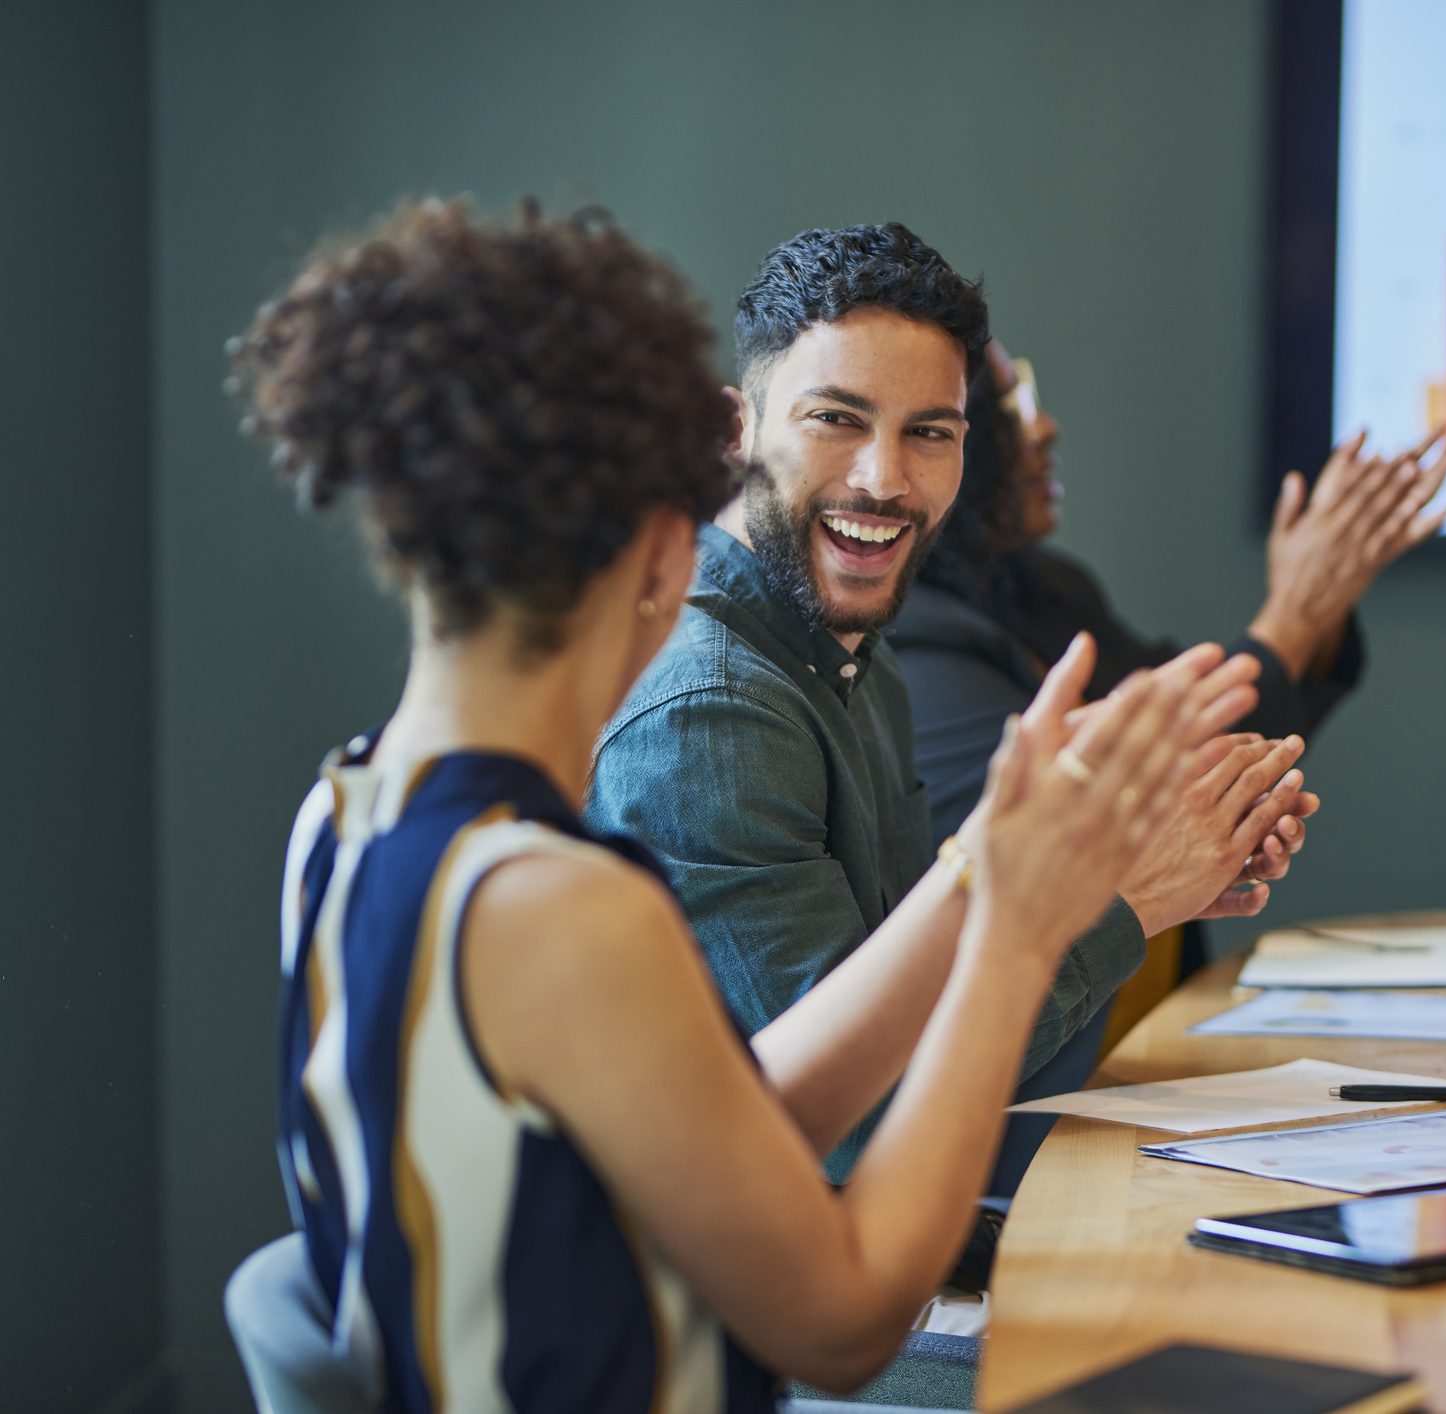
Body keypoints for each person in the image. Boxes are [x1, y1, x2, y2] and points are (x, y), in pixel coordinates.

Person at [234, 198, 1228, 1410]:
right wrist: (1012, 938)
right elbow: (851, 1319)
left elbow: (737, 1125)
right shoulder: (563, 905)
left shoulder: (339, 817)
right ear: (663, 546)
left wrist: (990, 865)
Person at [583, 225, 1316, 1187]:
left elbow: (911, 1009)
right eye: (834, 419)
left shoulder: (852, 655)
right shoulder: (710, 716)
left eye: (929, 432)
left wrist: (1127, 860)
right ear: (737, 430)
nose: (883, 479)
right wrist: (1124, 896)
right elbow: (857, 1123)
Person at [893, 341, 1446, 948]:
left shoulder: (1048, 582)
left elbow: (1199, 735)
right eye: (1009, 407)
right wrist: (1296, 612)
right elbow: (1083, 838)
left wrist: (1321, 589)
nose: (1046, 428)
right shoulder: (917, 641)